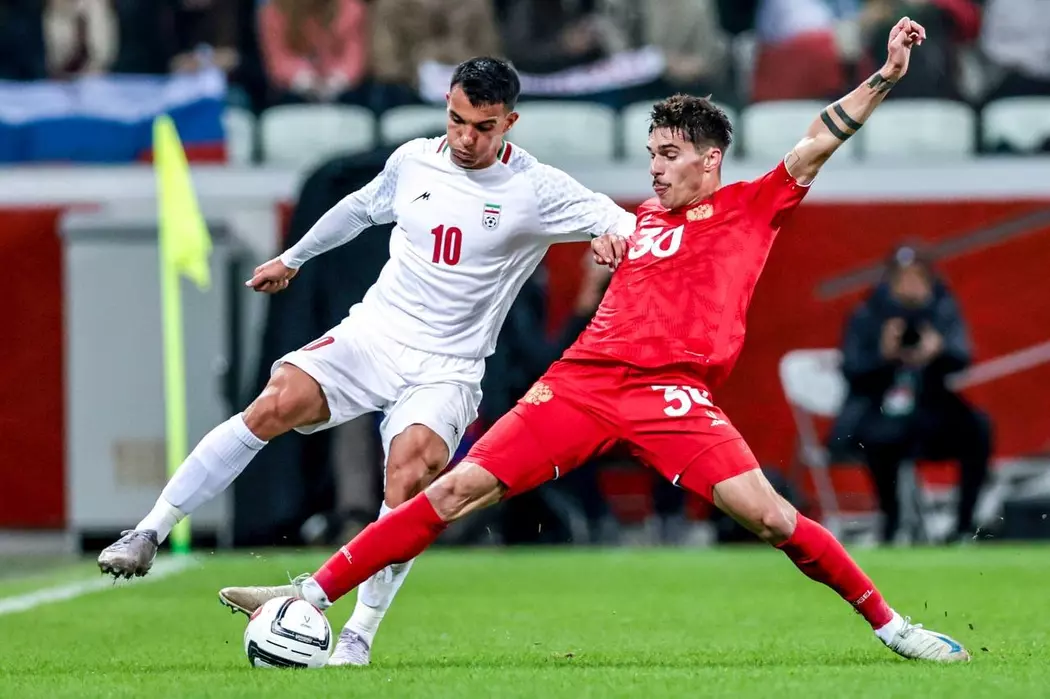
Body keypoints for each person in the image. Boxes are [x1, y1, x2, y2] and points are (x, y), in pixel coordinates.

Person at [220, 18, 971, 662]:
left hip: (671, 395)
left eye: (669, 155)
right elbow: (603, 238)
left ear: (710, 159)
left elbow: (817, 141)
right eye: (652, 154)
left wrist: (886, 74)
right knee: (450, 490)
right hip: (580, 383)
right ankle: (309, 594)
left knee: (772, 517)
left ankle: (895, 628)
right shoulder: (638, 220)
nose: (655, 168)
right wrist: (609, 244)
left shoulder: (750, 207)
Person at [96, 56, 636, 662]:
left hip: (449, 366)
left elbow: (627, 223)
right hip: (374, 335)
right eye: (456, 120)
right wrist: (292, 259)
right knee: (276, 401)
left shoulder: (537, 188)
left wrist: (608, 235)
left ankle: (358, 635)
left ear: (509, 122)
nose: (464, 138)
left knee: (410, 474)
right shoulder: (414, 161)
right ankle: (149, 531)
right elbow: (358, 209)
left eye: (482, 127)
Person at [830, 245, 991, 544]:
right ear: (890, 281)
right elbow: (851, 368)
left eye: (918, 278)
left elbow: (962, 357)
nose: (910, 285)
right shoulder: (867, 314)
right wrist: (884, 354)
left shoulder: (941, 310)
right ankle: (891, 524)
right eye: (903, 278)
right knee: (879, 437)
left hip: (930, 408)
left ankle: (963, 526)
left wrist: (938, 350)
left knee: (978, 428)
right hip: (878, 407)